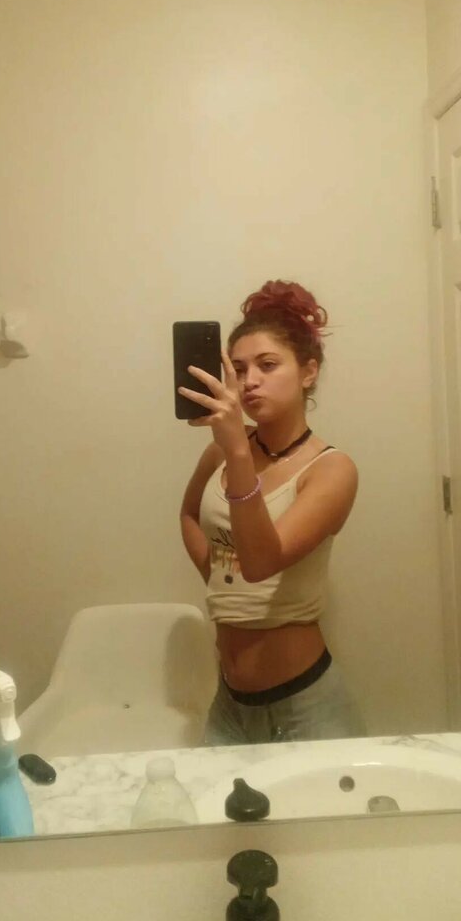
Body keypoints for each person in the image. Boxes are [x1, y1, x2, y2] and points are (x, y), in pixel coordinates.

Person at [178, 279, 365, 745]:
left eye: (267, 365)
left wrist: (238, 452)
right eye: (238, 368)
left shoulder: (332, 470)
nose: (249, 381)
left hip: (304, 707)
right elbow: (188, 515)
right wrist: (219, 575)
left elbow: (262, 562)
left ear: (308, 372)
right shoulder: (222, 453)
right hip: (228, 706)